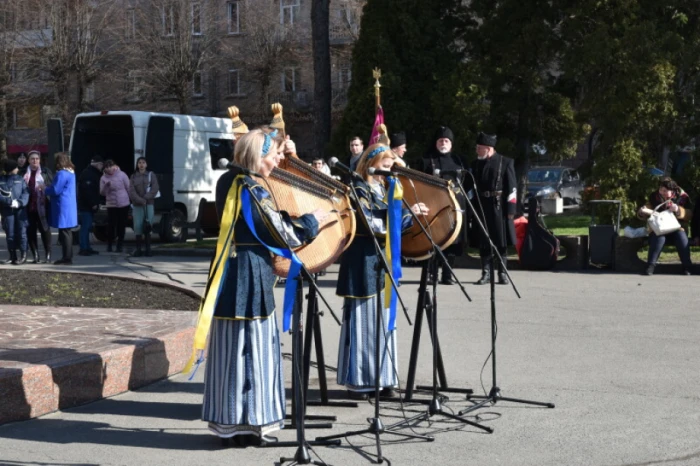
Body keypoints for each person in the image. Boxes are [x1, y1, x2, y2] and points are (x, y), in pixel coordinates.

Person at [202, 127, 327, 446]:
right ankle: (246, 425)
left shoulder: (229, 180)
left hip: (233, 271)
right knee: (250, 347)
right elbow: (279, 231)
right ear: (257, 156)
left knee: (233, 350)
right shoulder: (250, 187)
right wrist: (313, 220)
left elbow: (260, 222)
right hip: (250, 274)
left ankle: (233, 423)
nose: (276, 162)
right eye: (274, 156)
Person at [336, 143, 428, 400]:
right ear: (370, 163)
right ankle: (360, 382)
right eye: (385, 167)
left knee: (385, 322)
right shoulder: (358, 188)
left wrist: (411, 213)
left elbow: (393, 223)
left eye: (391, 167)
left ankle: (385, 379)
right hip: (361, 260)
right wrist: (405, 214)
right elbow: (372, 222)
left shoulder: (387, 189)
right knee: (364, 321)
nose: (388, 172)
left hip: (381, 261)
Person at [464, 132, 517, 285]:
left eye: (479, 148)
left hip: (499, 206)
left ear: (488, 148)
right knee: (484, 240)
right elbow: (469, 188)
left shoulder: (506, 162)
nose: (476, 151)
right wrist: (470, 206)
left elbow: (512, 187)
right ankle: (486, 273)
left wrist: (511, 210)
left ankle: (502, 273)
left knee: (501, 241)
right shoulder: (474, 165)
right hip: (481, 206)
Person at [422, 126, 468, 285]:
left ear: (451, 144)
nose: (443, 143)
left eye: (446, 141)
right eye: (441, 140)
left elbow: (466, 183)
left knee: (452, 240)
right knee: (435, 240)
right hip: (435, 206)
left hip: (455, 206)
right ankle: (432, 274)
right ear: (436, 143)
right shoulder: (427, 160)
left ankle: (447, 275)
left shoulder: (459, 161)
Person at [637, 177, 693, 276]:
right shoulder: (654, 197)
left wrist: (678, 210)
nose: (662, 192)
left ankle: (687, 267)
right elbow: (648, 208)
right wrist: (642, 212)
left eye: (665, 191)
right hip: (659, 227)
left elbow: (690, 214)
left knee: (682, 237)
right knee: (658, 238)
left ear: (673, 191)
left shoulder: (683, 197)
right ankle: (650, 266)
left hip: (677, 227)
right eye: (660, 190)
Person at [44, 152, 78, 265]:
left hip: (62, 206)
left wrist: (44, 189)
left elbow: (55, 190)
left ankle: (67, 257)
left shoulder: (62, 174)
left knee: (64, 232)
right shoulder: (71, 173)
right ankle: (68, 256)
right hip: (69, 205)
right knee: (67, 232)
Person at [23, 150, 53, 263]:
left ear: (40, 160)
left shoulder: (45, 172)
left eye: (37, 159)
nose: (35, 161)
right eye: (32, 159)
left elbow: (52, 186)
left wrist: (45, 187)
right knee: (31, 232)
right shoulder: (24, 173)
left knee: (45, 231)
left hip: (42, 206)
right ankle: (35, 255)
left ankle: (48, 255)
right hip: (29, 207)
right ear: (29, 160)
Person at [129, 157, 160, 257]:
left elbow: (155, 188)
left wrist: (145, 198)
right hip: (137, 205)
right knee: (138, 226)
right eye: (139, 163)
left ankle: (148, 249)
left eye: (143, 162)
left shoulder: (151, 175)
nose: (141, 164)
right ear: (137, 165)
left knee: (148, 225)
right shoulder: (133, 176)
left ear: (146, 164)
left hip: (149, 204)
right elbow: (131, 191)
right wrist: (140, 200)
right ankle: (138, 249)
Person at [0, 159, 29, 265]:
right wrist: (9, 202)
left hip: (20, 210)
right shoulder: (1, 180)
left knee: (22, 233)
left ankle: (23, 256)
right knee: (10, 234)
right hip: (7, 211)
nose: (17, 169)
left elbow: (26, 193)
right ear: (11, 169)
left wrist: (20, 202)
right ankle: (12, 256)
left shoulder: (20, 179)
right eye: (15, 167)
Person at [100, 160, 130, 253]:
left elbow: (128, 187)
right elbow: (102, 193)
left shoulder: (122, 175)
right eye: (106, 168)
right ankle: (109, 245)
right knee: (111, 225)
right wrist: (106, 186)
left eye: (110, 167)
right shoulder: (103, 178)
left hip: (123, 203)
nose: (109, 170)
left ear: (114, 166)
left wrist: (131, 200)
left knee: (121, 225)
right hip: (111, 204)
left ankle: (119, 244)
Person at [77, 155, 104, 256]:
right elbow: (88, 191)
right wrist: (93, 203)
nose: (102, 167)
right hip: (86, 206)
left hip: (87, 205)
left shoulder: (90, 173)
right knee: (85, 227)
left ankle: (87, 247)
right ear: (98, 164)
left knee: (87, 227)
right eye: (102, 165)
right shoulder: (89, 174)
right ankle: (83, 248)